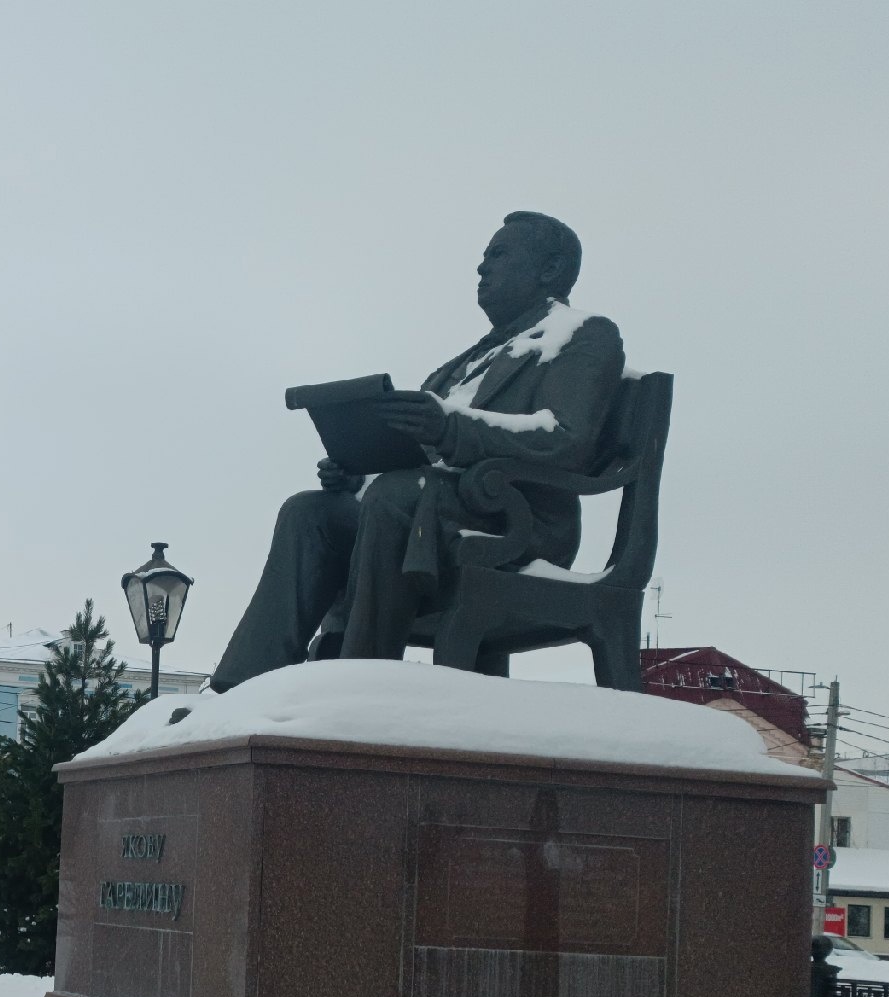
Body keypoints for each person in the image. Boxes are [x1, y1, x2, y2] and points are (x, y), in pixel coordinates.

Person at [209, 212, 625, 690]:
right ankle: (240, 687)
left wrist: (449, 427)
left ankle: (357, 678)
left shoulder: (584, 334)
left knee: (397, 496)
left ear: (550, 269)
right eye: (485, 256)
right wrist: (358, 472)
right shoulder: (463, 362)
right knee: (311, 511)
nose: (482, 267)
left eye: (498, 254)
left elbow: (566, 439)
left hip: (517, 523)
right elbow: (423, 454)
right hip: (431, 508)